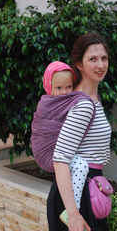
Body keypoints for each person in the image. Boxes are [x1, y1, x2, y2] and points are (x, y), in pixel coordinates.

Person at [47, 32, 112, 231]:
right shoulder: (83, 105)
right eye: (93, 58)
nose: (100, 64)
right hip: (75, 197)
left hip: (85, 191)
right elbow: (60, 157)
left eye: (104, 58)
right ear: (79, 64)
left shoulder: (93, 99)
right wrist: (73, 213)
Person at [33, 60, 90, 209]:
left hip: (61, 153)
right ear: (49, 87)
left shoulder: (73, 100)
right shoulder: (46, 104)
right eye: (58, 88)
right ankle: (73, 207)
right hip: (47, 153)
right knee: (81, 165)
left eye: (68, 87)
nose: (64, 92)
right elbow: (42, 129)